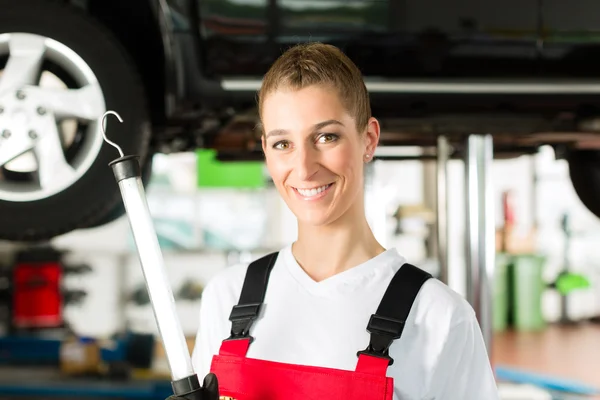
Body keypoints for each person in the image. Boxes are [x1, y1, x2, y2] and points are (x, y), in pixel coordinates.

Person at [189, 42, 500, 400]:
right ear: (265, 150)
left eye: (326, 137)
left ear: (368, 140)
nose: (304, 167)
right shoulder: (227, 297)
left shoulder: (437, 317)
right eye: (282, 144)